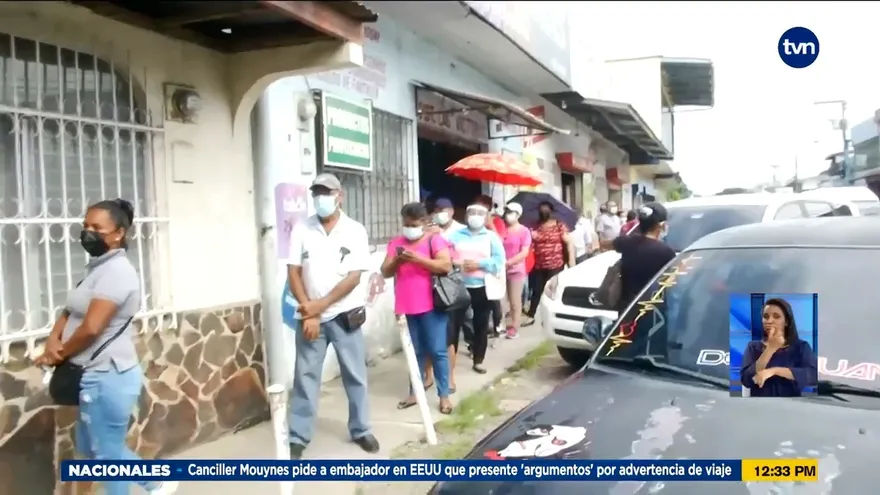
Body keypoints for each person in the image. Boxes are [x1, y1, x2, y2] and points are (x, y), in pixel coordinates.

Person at [35, 199, 178, 495]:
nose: (88, 232)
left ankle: (156, 481)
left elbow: (91, 328)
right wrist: (53, 338)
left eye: (97, 228)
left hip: (107, 377)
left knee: (107, 457)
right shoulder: (97, 269)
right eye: (85, 225)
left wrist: (57, 354)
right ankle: (156, 482)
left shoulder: (117, 272)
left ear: (118, 234)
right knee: (92, 450)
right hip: (91, 373)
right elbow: (70, 311)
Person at [286, 173, 379, 459]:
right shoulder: (302, 228)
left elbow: (353, 278)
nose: (320, 198)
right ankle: (298, 435)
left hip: (343, 315)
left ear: (340, 196)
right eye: (316, 193)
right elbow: (293, 272)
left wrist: (320, 305)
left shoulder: (354, 230)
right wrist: (309, 311)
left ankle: (361, 429)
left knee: (355, 375)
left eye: (326, 192)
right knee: (305, 376)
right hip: (311, 317)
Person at [382, 203, 454, 414]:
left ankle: (444, 396)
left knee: (437, 350)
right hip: (406, 305)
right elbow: (385, 271)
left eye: (413, 224)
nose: (409, 228)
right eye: (405, 224)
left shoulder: (434, 240)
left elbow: (445, 265)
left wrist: (418, 259)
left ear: (423, 223)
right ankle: (415, 391)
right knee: (414, 352)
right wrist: (397, 261)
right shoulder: (396, 243)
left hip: (432, 304)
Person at [446, 203, 505, 374]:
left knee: (481, 322)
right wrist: (458, 263)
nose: (475, 216)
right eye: (472, 213)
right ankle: (451, 363)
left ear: (486, 217)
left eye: (480, 213)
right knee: (453, 324)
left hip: (482, 286)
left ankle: (478, 359)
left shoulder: (491, 237)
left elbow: (499, 261)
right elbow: (447, 255)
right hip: (457, 285)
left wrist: (480, 264)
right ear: (466, 215)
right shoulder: (455, 235)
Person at [425, 198, 470, 393]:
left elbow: (458, 262)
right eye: (435, 210)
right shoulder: (424, 235)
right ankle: (428, 376)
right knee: (427, 338)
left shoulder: (457, 233)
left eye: (442, 210)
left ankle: (450, 378)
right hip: (426, 291)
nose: (438, 214)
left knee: (448, 338)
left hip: (448, 291)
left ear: (451, 211)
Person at [600, 202, 676, 311]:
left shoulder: (626, 242)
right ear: (661, 225)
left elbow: (604, 243)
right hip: (651, 309)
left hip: (626, 309)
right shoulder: (667, 253)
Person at [740, 298, 818, 397]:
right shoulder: (753, 347)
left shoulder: (800, 347)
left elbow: (812, 375)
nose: (769, 321)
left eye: (776, 317)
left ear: (786, 322)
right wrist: (770, 349)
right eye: (766, 316)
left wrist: (774, 371)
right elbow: (746, 380)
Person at [523, 201, 574, 326]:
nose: (543, 212)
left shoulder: (559, 225)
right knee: (537, 290)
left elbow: (569, 243)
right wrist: (531, 236)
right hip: (538, 264)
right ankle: (531, 315)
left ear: (551, 212)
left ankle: (556, 317)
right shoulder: (535, 226)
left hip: (556, 264)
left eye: (546, 210)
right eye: (541, 210)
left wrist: (572, 262)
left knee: (554, 291)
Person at [475, 194, 505, 336]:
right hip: (477, 267)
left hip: (492, 265)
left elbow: (500, 241)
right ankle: (483, 327)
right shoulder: (474, 222)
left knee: (494, 298)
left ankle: (498, 325)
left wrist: (490, 225)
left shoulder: (497, 221)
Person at [501, 202, 531, 339]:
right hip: (500, 269)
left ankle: (514, 326)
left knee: (514, 301)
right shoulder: (502, 229)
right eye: (507, 211)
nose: (508, 214)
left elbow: (524, 252)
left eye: (511, 212)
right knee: (501, 301)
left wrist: (510, 262)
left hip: (516, 269)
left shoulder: (524, 231)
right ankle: (500, 326)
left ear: (518, 215)